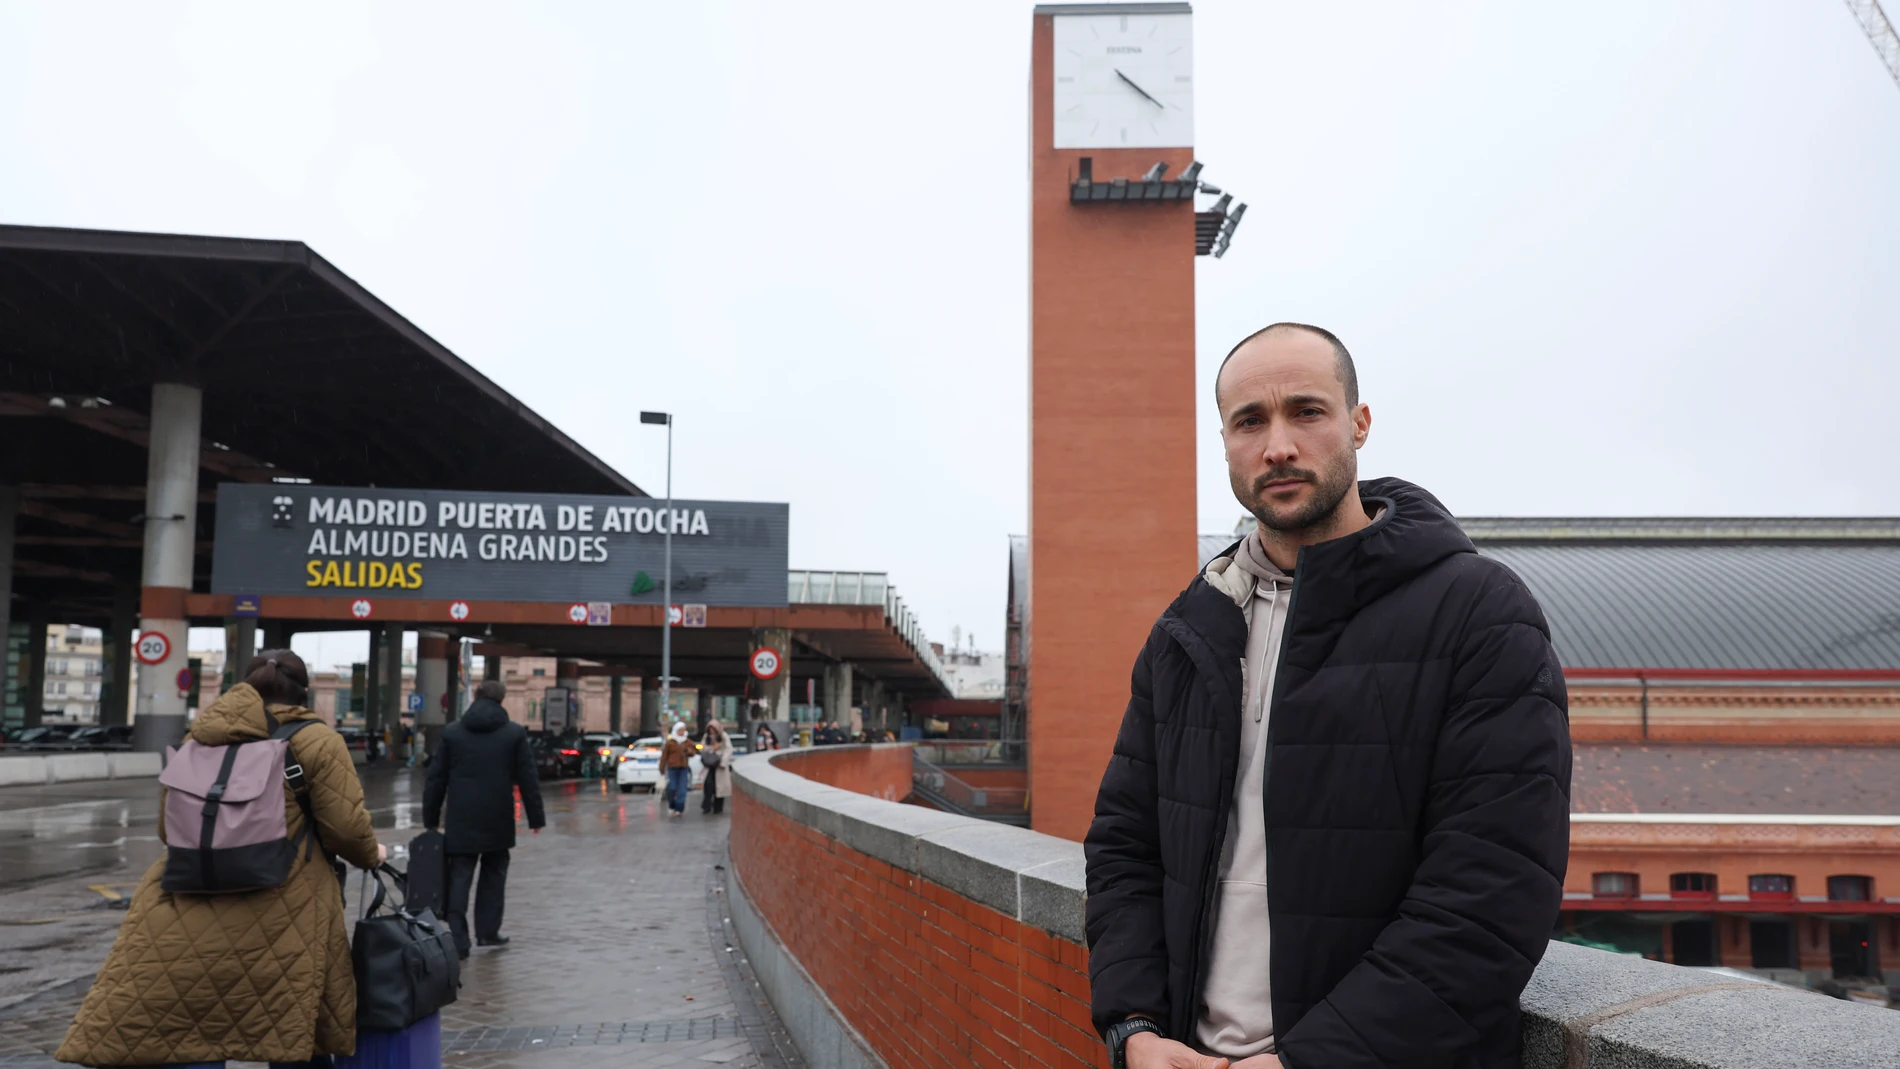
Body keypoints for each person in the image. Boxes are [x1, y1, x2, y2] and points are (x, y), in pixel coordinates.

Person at [1085, 323, 1572, 1069]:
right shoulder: (1189, 631)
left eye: (1306, 411)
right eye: (1250, 421)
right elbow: (1126, 848)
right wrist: (1135, 1026)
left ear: (1359, 423)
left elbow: (1490, 891)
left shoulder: (1477, 612)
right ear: (1226, 442)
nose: (1278, 446)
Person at [57, 651, 385, 1069]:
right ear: (304, 692)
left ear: (245, 686)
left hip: (189, 900)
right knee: (294, 1021)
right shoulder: (317, 740)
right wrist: (372, 854)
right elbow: (346, 829)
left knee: (193, 1029)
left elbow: (168, 829)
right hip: (288, 905)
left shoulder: (198, 740)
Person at [423, 678, 545, 959]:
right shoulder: (514, 733)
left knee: (459, 878)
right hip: (498, 817)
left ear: (476, 697)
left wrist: (431, 818)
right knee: (494, 876)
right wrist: (535, 818)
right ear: (501, 700)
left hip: (461, 819)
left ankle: (459, 939)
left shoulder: (453, 733)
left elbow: (436, 779)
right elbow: (528, 778)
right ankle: (488, 933)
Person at [660, 721, 696, 817]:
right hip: (672, 769)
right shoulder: (670, 742)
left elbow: (693, 752)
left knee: (682, 789)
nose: (682, 732)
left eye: (684, 730)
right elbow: (664, 756)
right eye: (680, 730)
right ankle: (672, 805)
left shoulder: (687, 741)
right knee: (672, 787)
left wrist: (689, 751)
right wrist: (662, 768)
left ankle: (679, 808)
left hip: (683, 768)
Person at [698, 719, 734, 814]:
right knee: (708, 785)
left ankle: (718, 807)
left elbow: (729, 749)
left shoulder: (723, 736)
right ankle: (706, 806)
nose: (712, 731)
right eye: (710, 729)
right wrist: (711, 748)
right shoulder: (706, 737)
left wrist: (723, 761)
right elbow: (701, 747)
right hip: (709, 765)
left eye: (713, 729)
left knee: (720, 787)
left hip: (719, 765)